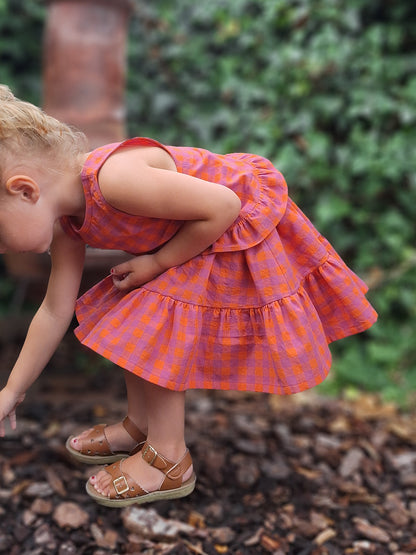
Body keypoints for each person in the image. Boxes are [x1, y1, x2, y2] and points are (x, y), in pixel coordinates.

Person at [0, 84, 377, 507]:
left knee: (148, 320)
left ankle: (169, 460)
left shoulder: (112, 180)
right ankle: (141, 426)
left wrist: (158, 263)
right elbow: (54, 311)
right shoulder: (68, 223)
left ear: (25, 190)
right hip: (195, 234)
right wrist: (11, 391)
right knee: (129, 312)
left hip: (233, 230)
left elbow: (224, 205)